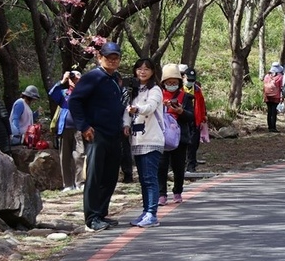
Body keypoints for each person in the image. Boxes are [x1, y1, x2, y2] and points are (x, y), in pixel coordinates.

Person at [68, 41, 128, 232]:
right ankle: (91, 218)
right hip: (96, 134)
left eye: (116, 57)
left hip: (114, 133)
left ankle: (101, 213)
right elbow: (75, 101)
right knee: (94, 176)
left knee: (110, 176)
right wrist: (84, 126)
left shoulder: (115, 78)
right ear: (100, 57)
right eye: (109, 57)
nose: (112, 60)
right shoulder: (93, 77)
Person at [125, 58, 165, 227]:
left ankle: (152, 214)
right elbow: (126, 111)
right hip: (138, 140)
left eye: (146, 69)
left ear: (153, 72)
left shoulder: (155, 90)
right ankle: (146, 211)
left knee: (150, 178)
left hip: (152, 139)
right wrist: (126, 125)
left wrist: (138, 109)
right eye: (139, 68)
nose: (142, 71)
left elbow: (150, 107)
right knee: (143, 179)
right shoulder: (133, 91)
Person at [157, 63, 196, 205]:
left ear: (179, 82)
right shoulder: (158, 95)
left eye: (174, 82)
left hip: (180, 137)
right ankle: (161, 194)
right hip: (161, 135)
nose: (171, 85)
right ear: (163, 83)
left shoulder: (185, 97)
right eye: (169, 82)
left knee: (178, 166)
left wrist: (181, 111)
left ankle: (177, 191)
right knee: (161, 166)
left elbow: (191, 117)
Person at [48, 70, 83, 191]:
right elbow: (52, 93)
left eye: (77, 77)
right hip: (64, 128)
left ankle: (80, 182)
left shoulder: (84, 93)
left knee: (80, 154)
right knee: (65, 156)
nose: (74, 80)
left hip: (79, 127)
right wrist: (62, 81)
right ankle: (68, 184)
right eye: (72, 78)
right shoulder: (64, 93)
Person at [180, 65, 208, 172]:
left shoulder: (197, 90)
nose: (190, 82)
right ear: (183, 77)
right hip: (182, 120)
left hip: (195, 120)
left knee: (194, 144)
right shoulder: (179, 89)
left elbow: (201, 105)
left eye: (192, 80)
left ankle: (191, 165)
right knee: (182, 144)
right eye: (189, 79)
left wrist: (203, 118)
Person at [263, 62, 284, 132]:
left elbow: (264, 87)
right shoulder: (280, 77)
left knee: (269, 112)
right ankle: (273, 127)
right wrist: (282, 97)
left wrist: (264, 96)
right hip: (276, 97)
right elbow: (281, 87)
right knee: (274, 112)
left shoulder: (267, 76)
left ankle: (269, 127)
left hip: (267, 96)